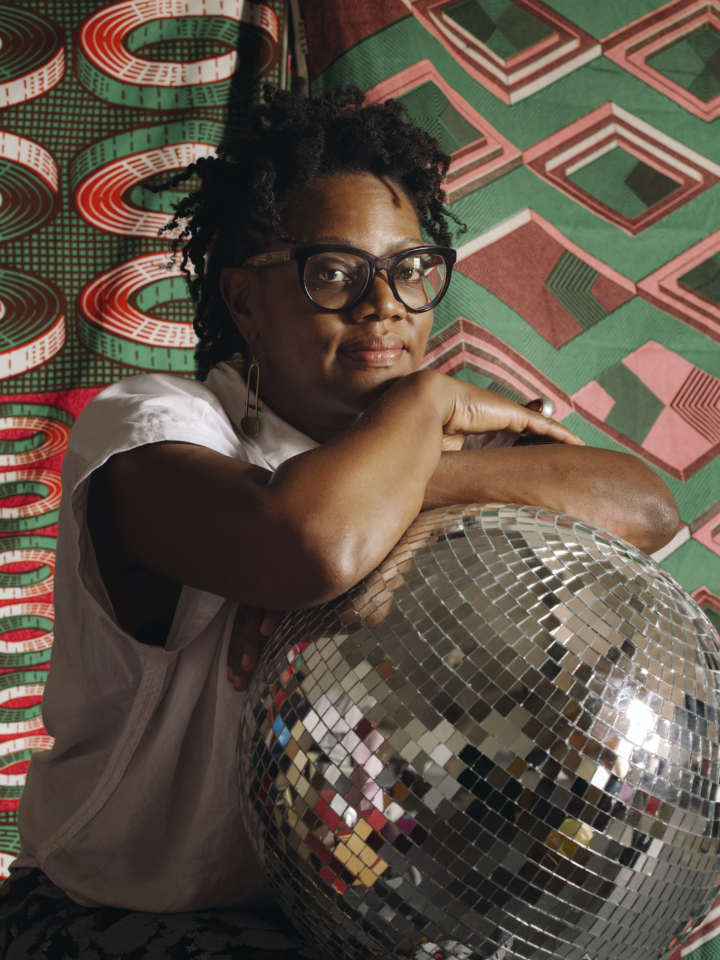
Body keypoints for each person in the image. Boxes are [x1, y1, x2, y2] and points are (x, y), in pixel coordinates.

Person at [1, 83, 679, 947]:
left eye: (409, 269)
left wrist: (405, 484)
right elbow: (312, 542)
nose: (384, 304)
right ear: (245, 300)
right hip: (124, 919)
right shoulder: (152, 425)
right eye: (333, 272)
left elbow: (643, 509)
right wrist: (428, 406)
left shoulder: (432, 457)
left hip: (358, 922)